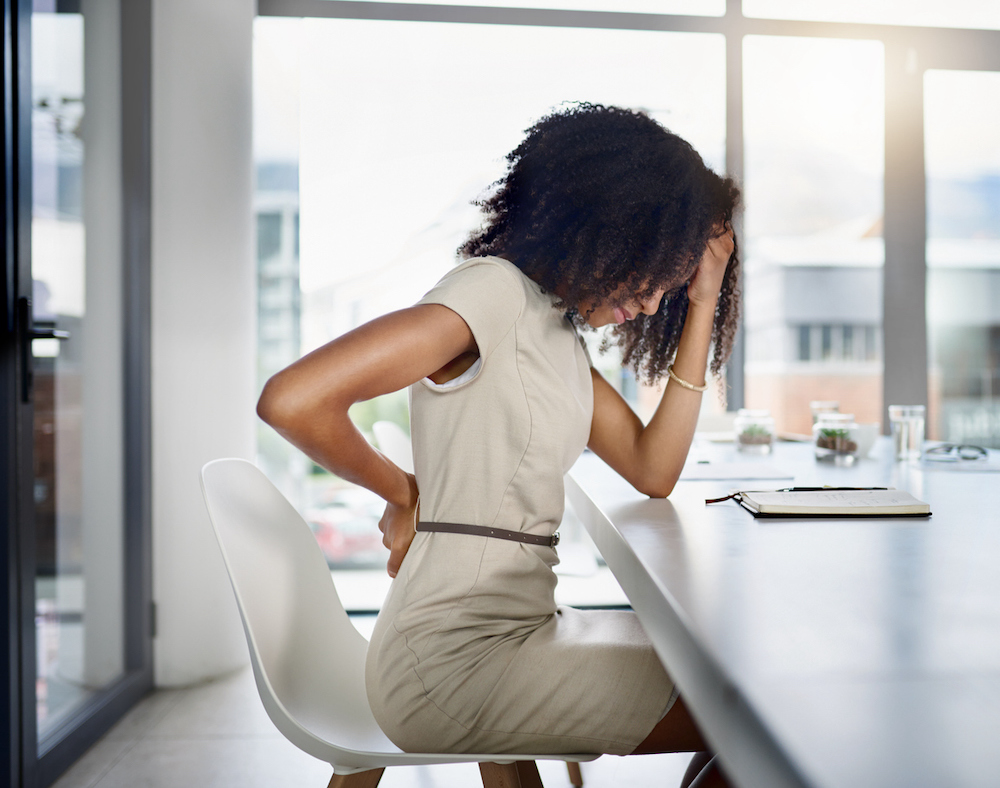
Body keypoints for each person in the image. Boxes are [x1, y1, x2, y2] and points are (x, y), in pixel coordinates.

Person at [257, 103, 740, 787]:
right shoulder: (493, 294)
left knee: (740, 687)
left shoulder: (555, 334)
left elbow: (653, 469)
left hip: (516, 632)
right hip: (455, 662)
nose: (659, 295)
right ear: (612, 227)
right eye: (663, 268)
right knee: (751, 712)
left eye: (676, 278)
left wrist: (703, 300)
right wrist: (403, 491)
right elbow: (293, 399)